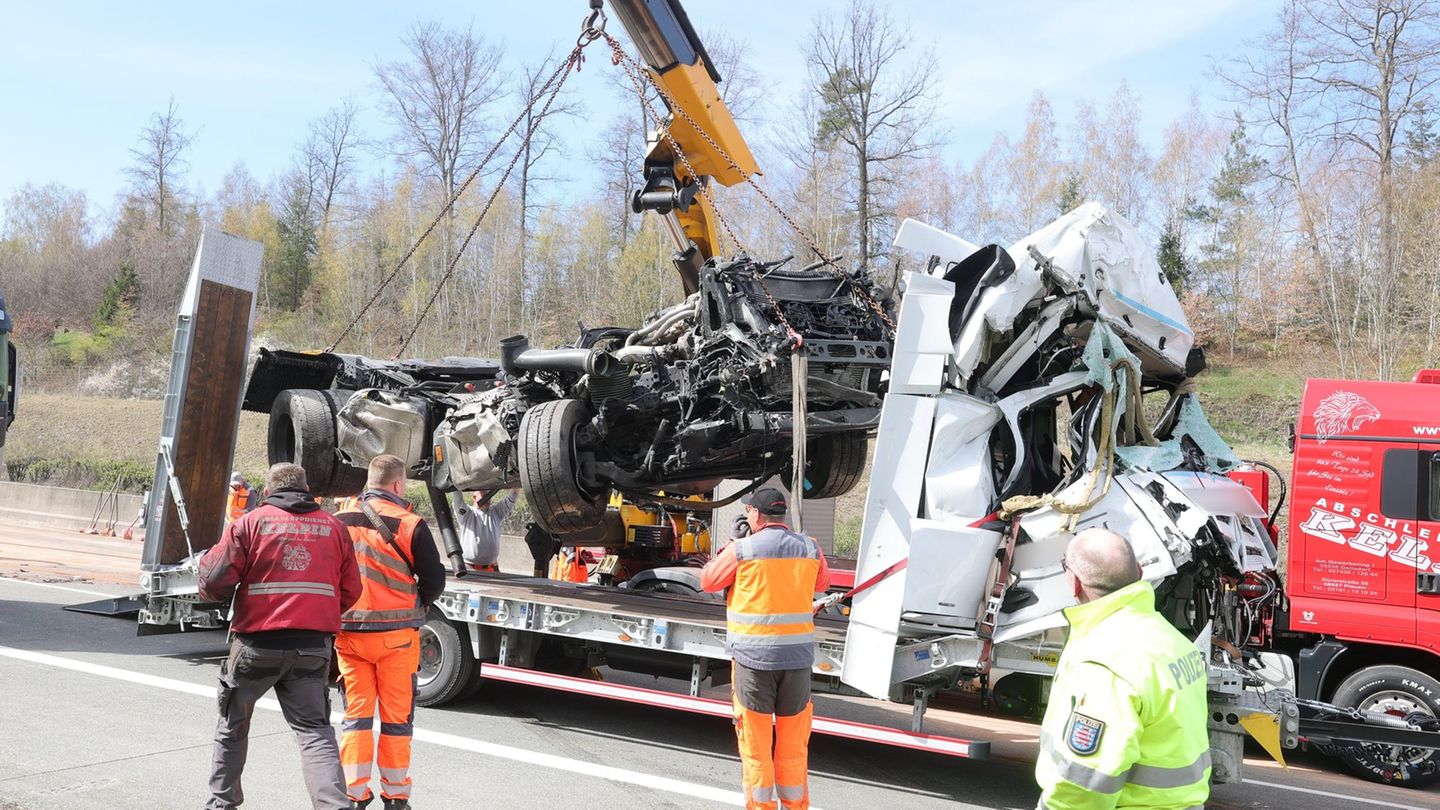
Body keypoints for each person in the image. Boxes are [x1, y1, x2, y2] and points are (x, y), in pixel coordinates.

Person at [198, 462, 362, 810]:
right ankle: (335, 806)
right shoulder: (334, 527)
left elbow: (213, 580)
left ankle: (222, 804)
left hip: (257, 645)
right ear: (306, 489)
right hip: (312, 647)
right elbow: (351, 590)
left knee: (233, 724)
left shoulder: (252, 523)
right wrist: (319, 612)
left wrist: (219, 594)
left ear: (268, 491)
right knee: (315, 732)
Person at [1035, 528, 1211, 810]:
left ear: (1075, 583)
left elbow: (1085, 782)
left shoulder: (1105, 662)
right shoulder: (1174, 642)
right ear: (1140, 572)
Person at [700, 487, 830, 810]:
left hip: (753, 663)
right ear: (782, 516)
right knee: (793, 746)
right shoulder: (810, 549)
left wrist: (731, 544)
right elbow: (822, 584)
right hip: (797, 664)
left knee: (757, 748)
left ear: (756, 516)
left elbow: (708, 581)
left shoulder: (742, 550)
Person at [334, 454, 447, 810]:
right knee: (396, 722)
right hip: (397, 638)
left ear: (369, 481)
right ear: (398, 485)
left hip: (349, 635)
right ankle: (396, 798)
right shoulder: (411, 524)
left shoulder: (338, 520)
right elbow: (434, 581)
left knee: (356, 719)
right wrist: (421, 601)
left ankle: (354, 794)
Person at [450, 487, 517, 572]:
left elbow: (512, 497)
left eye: (490, 495)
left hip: (491, 568)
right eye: (484, 495)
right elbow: (457, 496)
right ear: (474, 497)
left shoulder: (496, 512)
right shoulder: (466, 514)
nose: (488, 498)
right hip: (469, 568)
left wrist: (517, 483)